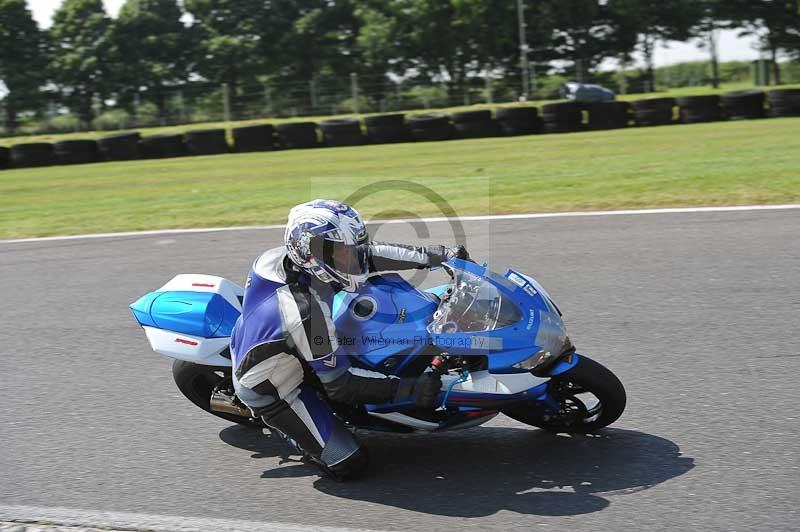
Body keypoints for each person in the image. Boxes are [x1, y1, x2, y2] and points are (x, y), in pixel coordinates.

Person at [229, 199, 469, 480]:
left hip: (286, 339)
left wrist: (440, 256)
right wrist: (411, 390)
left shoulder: (280, 258)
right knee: (348, 463)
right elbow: (341, 386)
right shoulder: (307, 314)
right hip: (276, 385)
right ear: (310, 254)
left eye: (349, 250)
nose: (352, 260)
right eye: (343, 255)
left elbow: (370, 255)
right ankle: (296, 433)